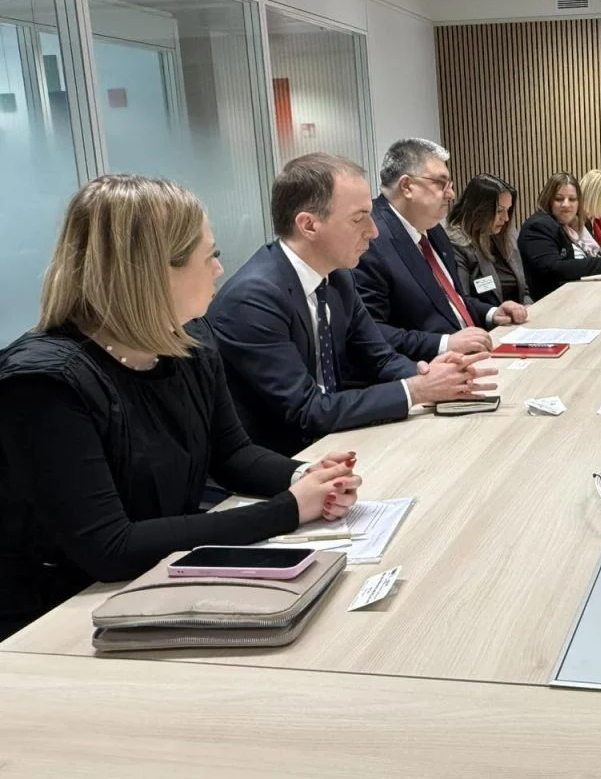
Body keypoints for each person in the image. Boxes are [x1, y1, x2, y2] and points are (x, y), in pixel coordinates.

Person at [0, 175, 363, 640]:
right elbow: (110, 547)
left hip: (156, 587)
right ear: (153, 272)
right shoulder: (43, 384)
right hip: (56, 619)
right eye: (209, 256)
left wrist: (306, 477)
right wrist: (288, 510)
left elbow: (232, 454)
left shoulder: (189, 341)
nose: (219, 270)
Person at [209, 153, 496, 457]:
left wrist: (429, 373)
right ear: (309, 225)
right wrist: (417, 390)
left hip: (336, 440)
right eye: (359, 218)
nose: (373, 231)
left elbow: (381, 358)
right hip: (284, 460)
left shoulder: (338, 277)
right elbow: (306, 410)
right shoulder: (254, 299)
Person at [352, 139, 528, 360]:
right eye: (441, 183)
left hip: (472, 355)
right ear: (406, 186)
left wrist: (492, 313)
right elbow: (370, 332)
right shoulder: (370, 240)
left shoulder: (434, 230)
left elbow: (451, 300)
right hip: (425, 368)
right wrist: (444, 343)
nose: (451, 194)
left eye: (450, 184)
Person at [518, 173, 601, 301]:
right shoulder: (538, 226)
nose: (566, 204)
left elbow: (599, 253)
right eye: (559, 199)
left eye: (572, 199)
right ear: (548, 200)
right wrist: (600, 264)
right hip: (553, 301)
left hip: (580, 293)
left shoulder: (573, 224)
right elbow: (553, 268)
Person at [447, 172, 533, 307]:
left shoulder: (507, 237)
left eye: (508, 210)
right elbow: (463, 300)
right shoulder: (457, 245)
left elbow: (524, 290)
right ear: (478, 210)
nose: (506, 218)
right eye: (499, 211)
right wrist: (496, 314)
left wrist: (529, 307)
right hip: (488, 319)